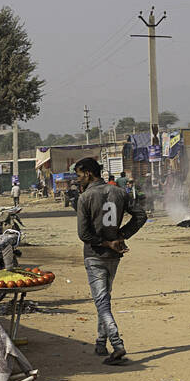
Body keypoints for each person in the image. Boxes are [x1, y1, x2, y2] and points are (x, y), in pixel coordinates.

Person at [75, 156, 147, 364]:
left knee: (102, 302)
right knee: (104, 298)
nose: (78, 180)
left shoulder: (85, 198)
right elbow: (140, 216)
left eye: (79, 175)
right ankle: (100, 342)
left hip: (95, 255)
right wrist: (120, 237)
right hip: (114, 256)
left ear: (88, 173)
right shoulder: (119, 192)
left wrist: (107, 243)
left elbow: (84, 235)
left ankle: (117, 345)